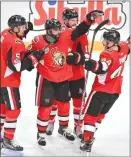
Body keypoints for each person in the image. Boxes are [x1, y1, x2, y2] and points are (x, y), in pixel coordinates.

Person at [29, 10, 104, 148]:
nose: (57, 32)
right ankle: (41, 133)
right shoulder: (37, 40)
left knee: (64, 104)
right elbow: (25, 55)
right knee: (45, 107)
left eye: (58, 30)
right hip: (46, 78)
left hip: (63, 78)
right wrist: (31, 59)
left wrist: (89, 18)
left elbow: (81, 29)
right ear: (47, 30)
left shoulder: (66, 35)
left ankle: (63, 128)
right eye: (53, 30)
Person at [0, 15, 47, 154]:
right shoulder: (17, 43)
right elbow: (17, 66)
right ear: (14, 28)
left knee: (3, 109)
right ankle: (8, 140)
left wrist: (24, 36)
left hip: (1, 79)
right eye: (22, 27)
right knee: (14, 110)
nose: (24, 29)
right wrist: (33, 58)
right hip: (8, 81)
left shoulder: (4, 32)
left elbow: (11, 51)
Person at [80, 30, 130, 152]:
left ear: (113, 42)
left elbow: (102, 68)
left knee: (89, 117)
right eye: (106, 40)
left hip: (101, 91)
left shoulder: (106, 54)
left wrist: (92, 65)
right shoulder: (124, 47)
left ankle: (87, 141)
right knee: (100, 116)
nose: (105, 43)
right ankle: (89, 135)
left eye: (108, 41)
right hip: (115, 92)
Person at [46, 9, 89, 139]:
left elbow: (86, 56)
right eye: (72, 20)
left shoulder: (81, 35)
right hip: (61, 75)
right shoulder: (60, 33)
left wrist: (77, 58)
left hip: (77, 76)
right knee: (56, 101)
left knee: (78, 102)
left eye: (76, 20)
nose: (75, 23)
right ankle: (51, 122)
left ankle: (78, 126)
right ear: (64, 21)